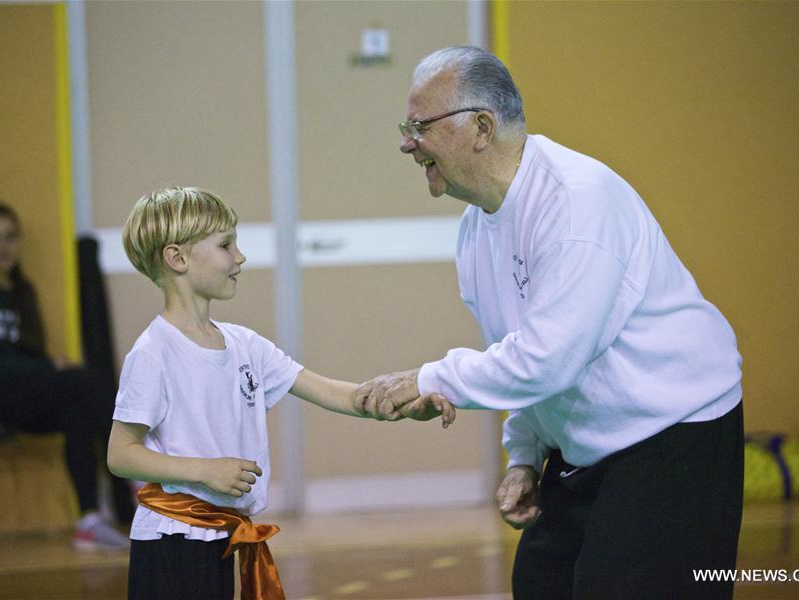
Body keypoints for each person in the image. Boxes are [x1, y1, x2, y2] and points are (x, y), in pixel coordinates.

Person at [355, 46, 744, 600]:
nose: (405, 142)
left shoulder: (576, 202)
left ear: (482, 127)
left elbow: (548, 358)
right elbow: (517, 352)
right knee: (542, 582)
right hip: (588, 444)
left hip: (674, 431)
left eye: (419, 126)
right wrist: (525, 456)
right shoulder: (476, 230)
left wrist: (432, 378)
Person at [106, 187, 454, 600]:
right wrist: (204, 470)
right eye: (225, 245)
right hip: (172, 541)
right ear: (177, 258)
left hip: (219, 535)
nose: (240, 257)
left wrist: (405, 401)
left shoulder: (245, 345)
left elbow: (336, 393)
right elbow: (121, 454)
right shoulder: (153, 352)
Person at [0, 202, 131, 551]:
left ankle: (89, 520)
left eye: (10, 237)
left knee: (75, 405)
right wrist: (49, 368)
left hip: (18, 395)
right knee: (79, 381)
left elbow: (29, 356)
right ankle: (136, 463)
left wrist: (46, 366)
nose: (3, 247)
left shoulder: (22, 291)